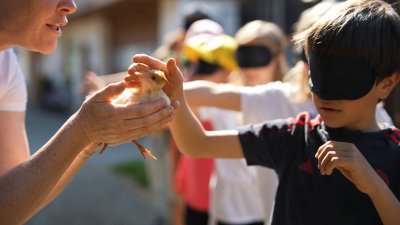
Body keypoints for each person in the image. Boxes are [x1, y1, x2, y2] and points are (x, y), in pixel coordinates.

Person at [126, 0, 400, 224]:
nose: (327, 94)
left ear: (387, 83)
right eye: (320, 76)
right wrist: (176, 95)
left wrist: (375, 186)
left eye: (346, 81)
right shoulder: (293, 135)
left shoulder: (394, 153)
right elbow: (196, 143)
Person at [0, 1, 174, 224]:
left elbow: (16, 201)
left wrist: (91, 136)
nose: (71, 5)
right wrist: (81, 130)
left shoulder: (7, 66)